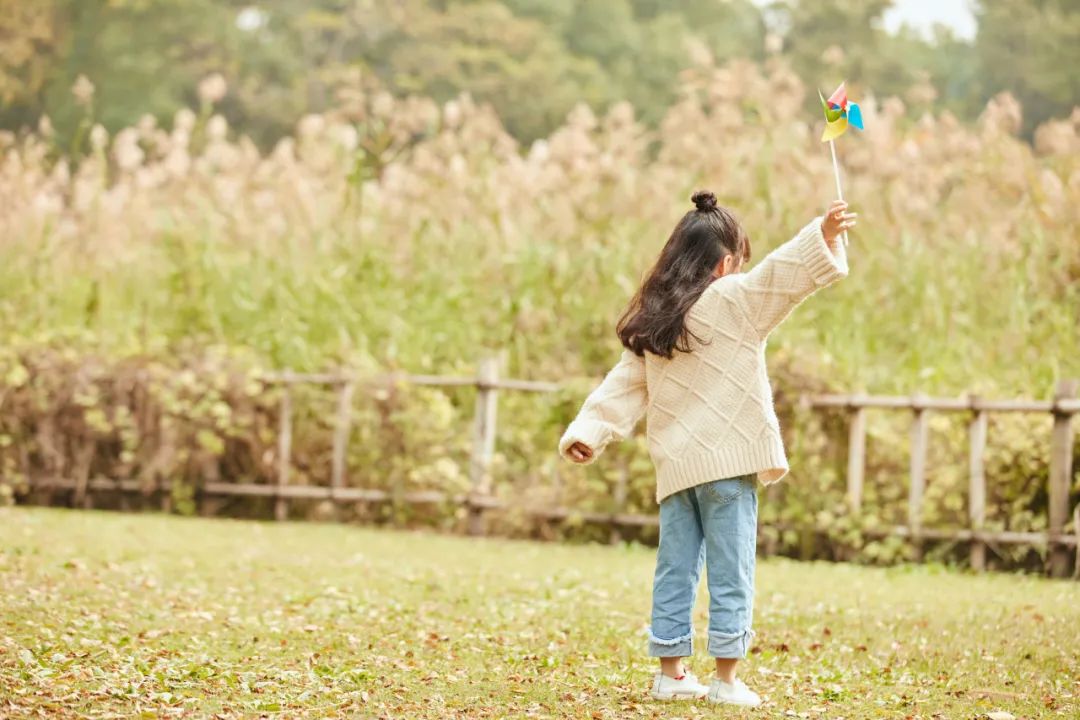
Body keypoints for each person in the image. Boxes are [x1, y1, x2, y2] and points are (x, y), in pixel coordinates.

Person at [558, 192, 855, 706]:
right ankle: (726, 680)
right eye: (738, 260)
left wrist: (585, 432)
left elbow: (621, 387)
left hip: (677, 472)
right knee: (731, 569)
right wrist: (823, 234)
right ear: (726, 263)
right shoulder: (736, 299)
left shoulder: (658, 320)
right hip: (729, 465)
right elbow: (783, 273)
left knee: (676, 567)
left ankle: (671, 674)